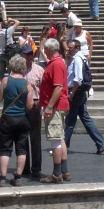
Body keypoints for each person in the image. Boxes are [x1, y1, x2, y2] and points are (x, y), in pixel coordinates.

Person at [63, 39, 104, 154]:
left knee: (70, 120)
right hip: (80, 93)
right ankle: (101, 143)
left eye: (71, 47)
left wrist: (72, 93)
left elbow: (78, 78)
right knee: (85, 118)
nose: (68, 49)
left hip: (76, 92)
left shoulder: (77, 59)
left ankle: (63, 146)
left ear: (77, 48)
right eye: (68, 47)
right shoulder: (80, 57)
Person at [0, 54, 33, 187]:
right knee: (21, 149)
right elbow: (29, 105)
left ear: (11, 65)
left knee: (5, 149)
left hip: (7, 119)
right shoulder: (28, 84)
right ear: (23, 67)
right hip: (22, 119)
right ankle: (17, 177)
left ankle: (2, 178)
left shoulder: (6, 80)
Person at [39, 38, 71, 183]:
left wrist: (49, 106)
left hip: (56, 106)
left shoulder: (56, 64)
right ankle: (64, 171)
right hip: (60, 105)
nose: (45, 51)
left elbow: (58, 87)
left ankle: (57, 173)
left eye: (45, 49)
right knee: (60, 138)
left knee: (55, 140)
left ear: (50, 49)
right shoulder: (58, 62)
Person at [22, 45, 45, 179]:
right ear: (22, 55)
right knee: (22, 138)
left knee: (35, 138)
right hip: (21, 106)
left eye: (31, 54)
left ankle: (36, 167)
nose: (29, 57)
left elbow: (44, 89)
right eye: (27, 54)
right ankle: (24, 166)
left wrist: (39, 105)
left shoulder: (39, 70)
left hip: (35, 105)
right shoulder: (17, 70)